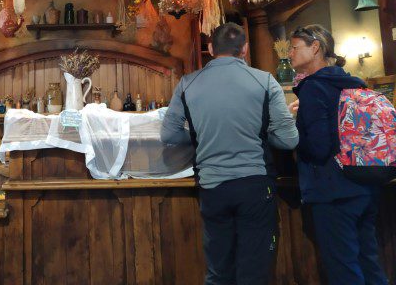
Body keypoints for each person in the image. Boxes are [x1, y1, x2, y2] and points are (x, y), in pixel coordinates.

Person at [161, 22, 298, 285]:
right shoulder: (265, 80)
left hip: (213, 188)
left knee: (218, 270)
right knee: (255, 271)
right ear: (245, 49)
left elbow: (168, 135)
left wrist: (200, 137)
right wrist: (260, 133)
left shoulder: (187, 83)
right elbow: (288, 139)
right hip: (255, 185)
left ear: (211, 48)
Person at [289, 24, 388, 285]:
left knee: (343, 268)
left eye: (294, 47)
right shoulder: (349, 81)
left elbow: (319, 148)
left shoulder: (313, 87)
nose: (289, 53)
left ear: (315, 47)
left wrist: (293, 132)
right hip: (365, 183)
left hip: (333, 191)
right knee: (368, 261)